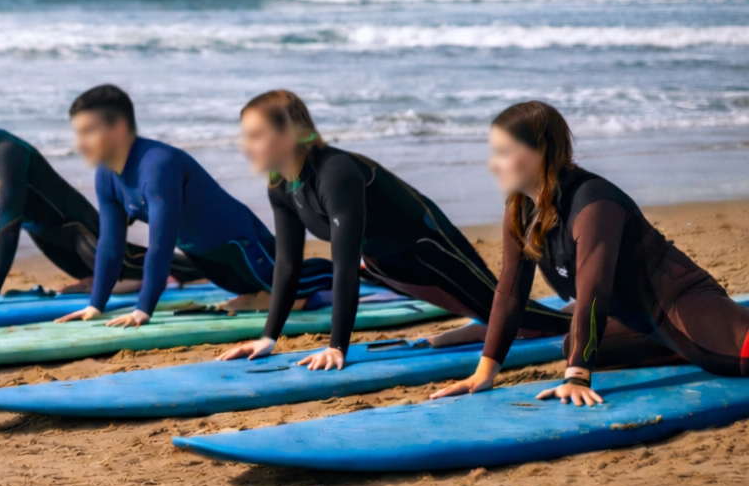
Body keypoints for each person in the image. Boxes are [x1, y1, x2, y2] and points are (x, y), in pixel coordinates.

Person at [218, 90, 570, 369]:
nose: (245, 145)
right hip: (387, 265)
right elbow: (287, 265)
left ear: (288, 134)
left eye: (255, 135)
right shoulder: (280, 184)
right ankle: (513, 319)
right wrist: (268, 338)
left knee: (519, 321)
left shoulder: (335, 173)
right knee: (496, 316)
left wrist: (337, 347)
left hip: (428, 249)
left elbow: (344, 267)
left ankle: (588, 314)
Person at [431, 101, 748, 405]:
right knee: (574, 344)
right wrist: (484, 372)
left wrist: (578, 376)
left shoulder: (593, 202)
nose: (493, 164)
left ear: (540, 151)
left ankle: (692, 344)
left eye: (504, 152)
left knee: (739, 351)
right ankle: (682, 348)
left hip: (680, 302)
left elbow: (594, 291)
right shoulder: (521, 210)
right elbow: (511, 293)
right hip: (642, 323)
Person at [56, 85, 331, 328]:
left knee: (294, 286)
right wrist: (96, 305)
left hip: (241, 244)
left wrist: (143, 310)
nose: (80, 142)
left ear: (118, 129)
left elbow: (160, 246)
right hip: (205, 256)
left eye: (88, 131)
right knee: (245, 290)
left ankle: (346, 269)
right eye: (78, 132)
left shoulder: (157, 165)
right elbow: (110, 246)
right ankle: (260, 294)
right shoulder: (105, 175)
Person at [0, 76, 198, 306]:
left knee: (137, 267)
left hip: (81, 232)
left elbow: (8, 224)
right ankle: (139, 277)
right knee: (101, 280)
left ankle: (198, 267)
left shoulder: (6, 152)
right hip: (47, 237)